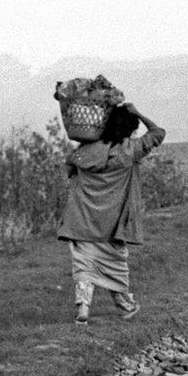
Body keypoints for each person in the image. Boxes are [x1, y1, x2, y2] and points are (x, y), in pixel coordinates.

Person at [57, 103, 166, 324]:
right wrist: (138, 113)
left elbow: (70, 168)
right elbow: (158, 133)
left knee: (83, 265)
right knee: (115, 265)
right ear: (129, 129)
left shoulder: (84, 153)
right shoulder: (130, 150)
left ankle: (83, 308)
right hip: (113, 223)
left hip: (82, 220)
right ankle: (125, 305)